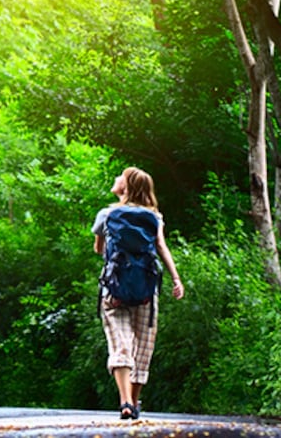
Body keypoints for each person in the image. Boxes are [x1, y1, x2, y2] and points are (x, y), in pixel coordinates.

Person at [92, 167, 184, 420]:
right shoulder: (154, 216)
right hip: (146, 289)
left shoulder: (107, 214)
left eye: (119, 177)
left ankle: (124, 402)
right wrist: (176, 279)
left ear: (127, 187)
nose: (115, 179)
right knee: (143, 347)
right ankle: (134, 401)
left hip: (114, 289)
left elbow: (98, 250)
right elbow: (161, 247)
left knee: (120, 344)